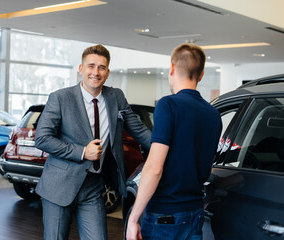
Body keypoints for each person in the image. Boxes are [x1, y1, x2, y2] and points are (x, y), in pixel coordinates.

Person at [35, 44, 151, 240]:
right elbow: (42, 138)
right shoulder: (60, 98)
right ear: (81, 69)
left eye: (101, 67)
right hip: (58, 187)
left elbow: (138, 129)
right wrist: (81, 152)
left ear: (107, 73)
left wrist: (166, 150)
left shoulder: (116, 97)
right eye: (91, 66)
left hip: (93, 187)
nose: (95, 72)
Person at [126, 43, 222, 240]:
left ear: (172, 68)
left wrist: (133, 218)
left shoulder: (168, 105)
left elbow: (154, 167)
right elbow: (207, 168)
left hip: (165, 215)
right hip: (195, 212)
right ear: (201, 74)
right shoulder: (214, 115)